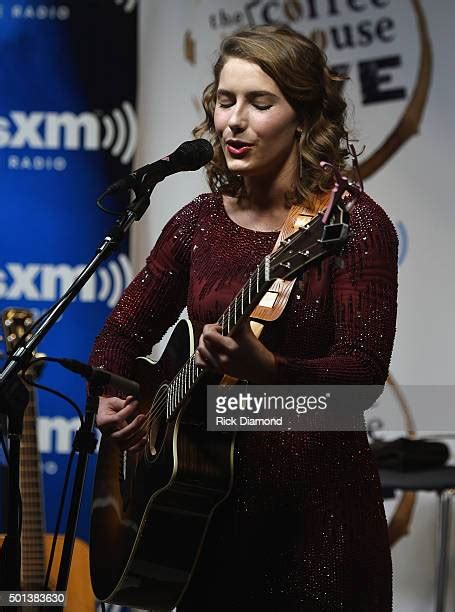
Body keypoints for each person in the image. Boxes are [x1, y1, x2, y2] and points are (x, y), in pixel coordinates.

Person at [90, 25, 397, 611]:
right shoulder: (197, 222)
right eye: (225, 100)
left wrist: (269, 368)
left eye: (260, 103)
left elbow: (360, 382)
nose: (234, 120)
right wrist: (109, 390)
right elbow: (123, 332)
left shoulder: (353, 225)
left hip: (317, 526)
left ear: (304, 116)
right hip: (202, 524)